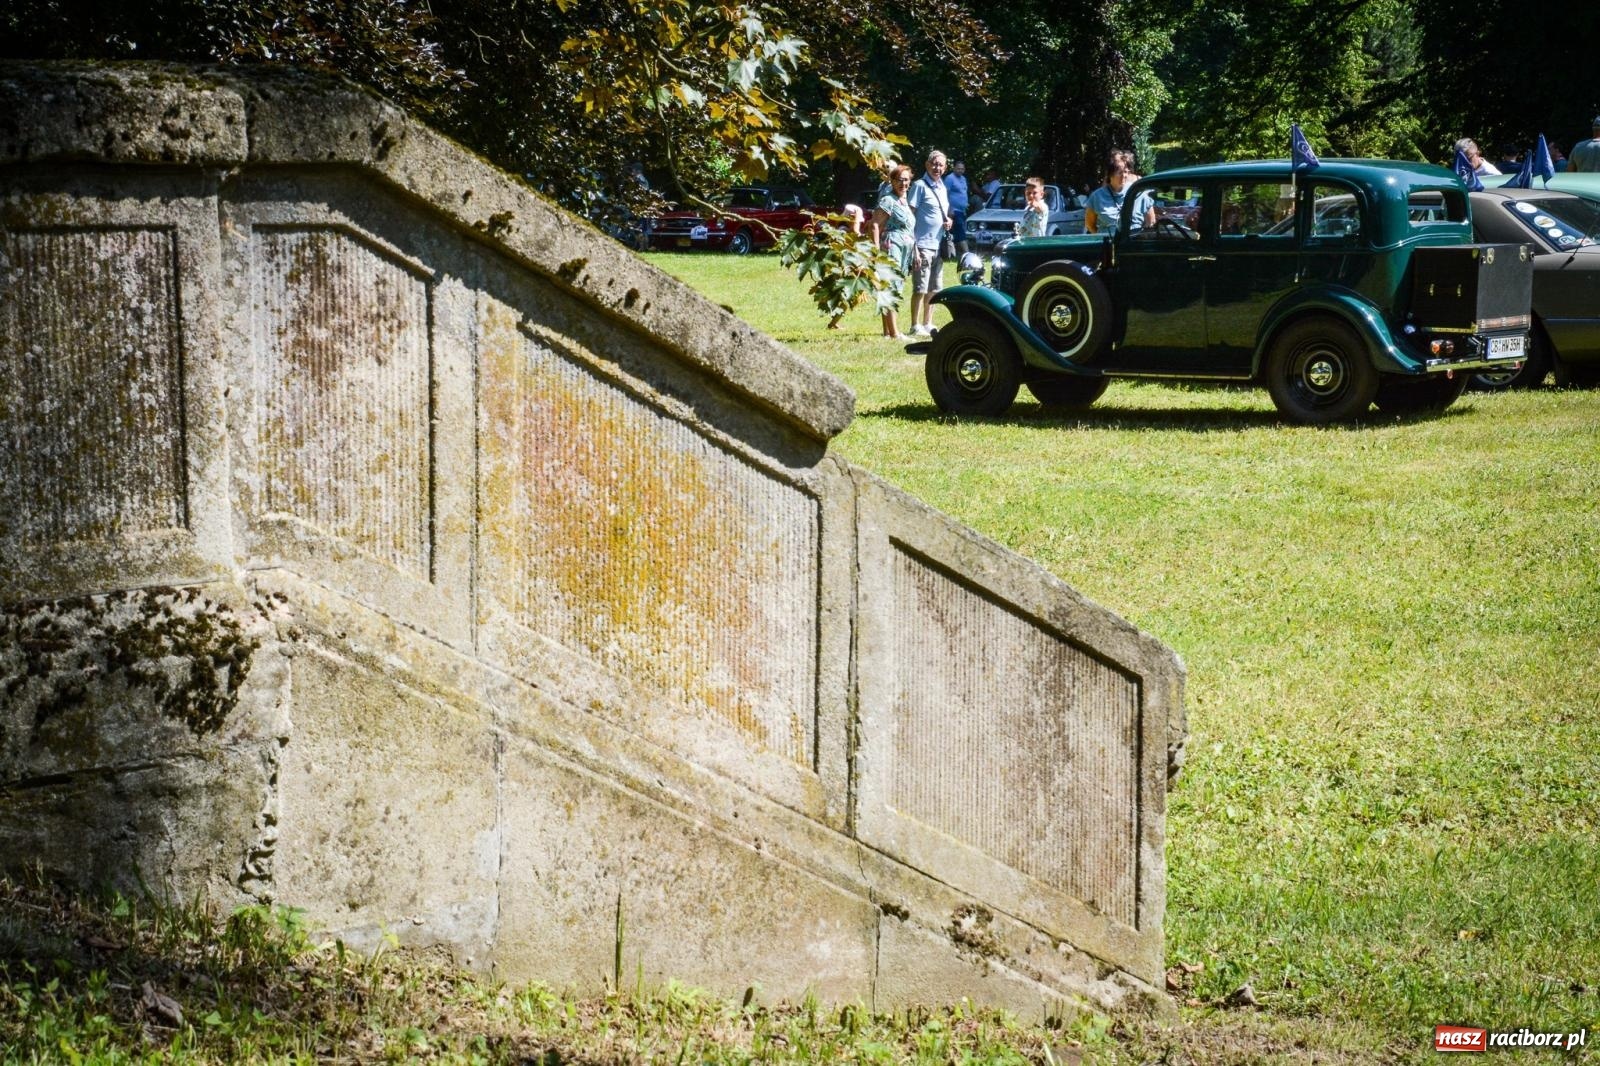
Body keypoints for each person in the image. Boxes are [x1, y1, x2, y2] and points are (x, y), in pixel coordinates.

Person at [906, 149, 953, 336]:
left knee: (934, 289)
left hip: (938, 245)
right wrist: (914, 247)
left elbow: (943, 212)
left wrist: (948, 221)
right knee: (920, 288)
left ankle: (928, 323)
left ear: (945, 168)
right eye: (934, 164)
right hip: (922, 245)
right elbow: (909, 215)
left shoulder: (942, 187)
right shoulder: (919, 185)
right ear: (927, 165)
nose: (937, 168)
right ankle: (914, 325)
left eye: (941, 165)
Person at [872, 166, 916, 339]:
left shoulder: (904, 201)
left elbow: (910, 230)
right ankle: (896, 333)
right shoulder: (888, 200)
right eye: (899, 179)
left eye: (906, 179)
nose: (903, 183)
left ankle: (887, 332)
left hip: (905, 250)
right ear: (892, 181)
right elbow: (875, 224)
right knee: (891, 288)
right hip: (892, 248)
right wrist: (875, 250)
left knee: (892, 288)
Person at [1083, 154, 1154, 236]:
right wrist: (1105, 238)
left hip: (1134, 245)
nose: (1124, 176)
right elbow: (1090, 225)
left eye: (1126, 172)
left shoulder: (1137, 193)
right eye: (1119, 172)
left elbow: (1151, 222)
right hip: (1109, 246)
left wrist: (1139, 238)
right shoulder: (1096, 197)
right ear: (1110, 174)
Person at [944, 159, 972, 257]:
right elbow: (945, 194)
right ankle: (967, 253)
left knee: (959, 231)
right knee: (960, 231)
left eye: (962, 169)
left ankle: (956, 254)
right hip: (954, 210)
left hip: (963, 210)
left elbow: (963, 193)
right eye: (959, 168)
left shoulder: (963, 179)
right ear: (954, 168)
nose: (960, 170)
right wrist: (949, 209)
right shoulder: (949, 178)